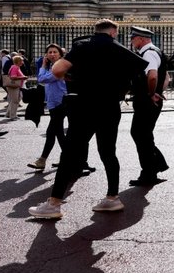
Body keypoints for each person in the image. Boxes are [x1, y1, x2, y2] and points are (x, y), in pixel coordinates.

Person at [28, 20, 147, 219]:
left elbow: (57, 71)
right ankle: (112, 198)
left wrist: (72, 78)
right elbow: (137, 78)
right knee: (108, 152)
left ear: (96, 31)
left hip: (85, 105)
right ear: (114, 32)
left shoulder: (83, 46)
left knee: (70, 153)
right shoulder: (121, 51)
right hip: (110, 106)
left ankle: (54, 203)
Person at [129, 26, 169, 187]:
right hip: (151, 100)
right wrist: (160, 91)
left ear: (141, 39)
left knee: (140, 134)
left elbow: (152, 76)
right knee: (144, 134)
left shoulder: (149, 53)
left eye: (133, 38)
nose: (132, 41)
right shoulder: (156, 51)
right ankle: (155, 167)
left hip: (146, 101)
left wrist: (152, 93)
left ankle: (149, 173)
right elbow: (167, 77)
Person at [27, 44, 69, 171]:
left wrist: (43, 66)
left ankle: (43, 160)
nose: (52, 54)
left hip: (61, 103)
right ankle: (69, 159)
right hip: (53, 103)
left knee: (53, 132)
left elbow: (42, 79)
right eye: (49, 52)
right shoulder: (53, 66)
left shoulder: (60, 67)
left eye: (54, 52)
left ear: (60, 54)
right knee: (57, 133)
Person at [5, 54, 28, 120]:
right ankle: (13, 116)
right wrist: (23, 77)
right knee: (15, 101)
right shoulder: (15, 67)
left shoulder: (15, 67)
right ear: (18, 61)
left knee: (14, 100)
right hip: (14, 86)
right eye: (21, 61)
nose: (22, 62)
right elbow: (13, 77)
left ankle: (8, 114)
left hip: (15, 86)